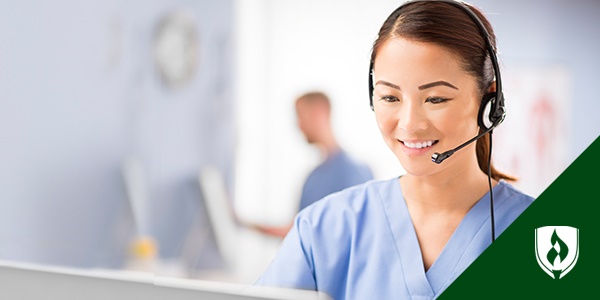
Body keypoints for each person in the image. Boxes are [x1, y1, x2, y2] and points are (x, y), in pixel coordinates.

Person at [255, 1, 534, 299]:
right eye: (390, 97)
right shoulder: (322, 230)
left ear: (489, 104)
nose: (409, 124)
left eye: (436, 99)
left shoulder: (541, 237)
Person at [254, 92, 374, 238]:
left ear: (319, 113)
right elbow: (299, 232)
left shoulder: (355, 173)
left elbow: (354, 234)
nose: (298, 124)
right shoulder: (313, 178)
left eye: (299, 115)